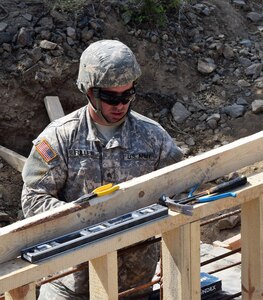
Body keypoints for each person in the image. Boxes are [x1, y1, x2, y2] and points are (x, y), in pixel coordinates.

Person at [21, 39, 183, 299]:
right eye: (110, 97)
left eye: (127, 95)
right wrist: (83, 216)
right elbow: (32, 200)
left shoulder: (153, 137)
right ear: (89, 91)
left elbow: (180, 189)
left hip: (134, 286)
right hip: (70, 286)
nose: (120, 105)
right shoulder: (59, 138)